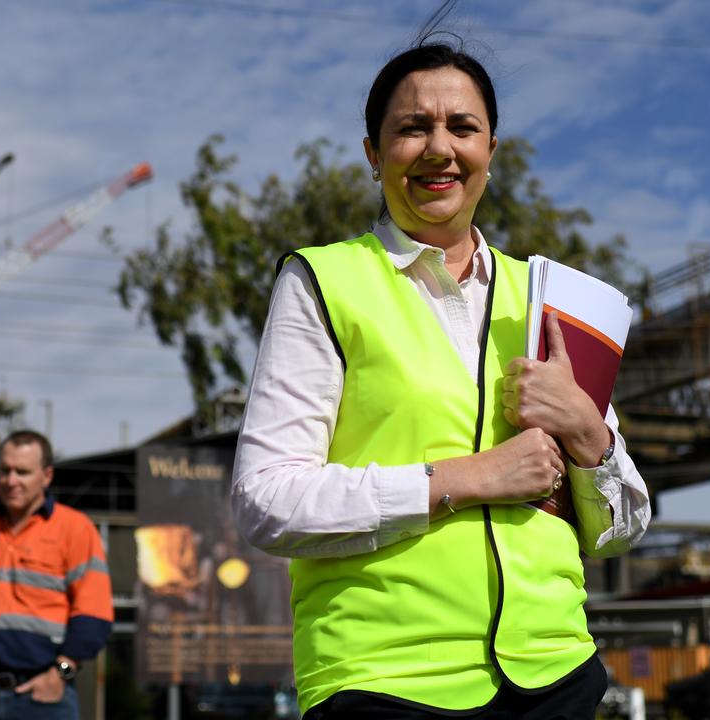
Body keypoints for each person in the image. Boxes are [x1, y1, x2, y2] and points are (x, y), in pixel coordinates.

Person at [231, 40, 651, 719]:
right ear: (373, 154)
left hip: (559, 677)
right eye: (411, 128)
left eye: (462, 127)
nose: (438, 148)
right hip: (384, 683)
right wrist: (465, 479)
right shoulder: (323, 283)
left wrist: (587, 432)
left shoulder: (551, 298)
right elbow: (266, 500)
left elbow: (621, 530)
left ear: (492, 149)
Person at [0, 430, 113, 720]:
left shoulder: (76, 531)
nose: (11, 481)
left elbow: (94, 616)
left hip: (46, 699)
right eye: (5, 471)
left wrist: (60, 675)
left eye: (23, 472)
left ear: (47, 476)